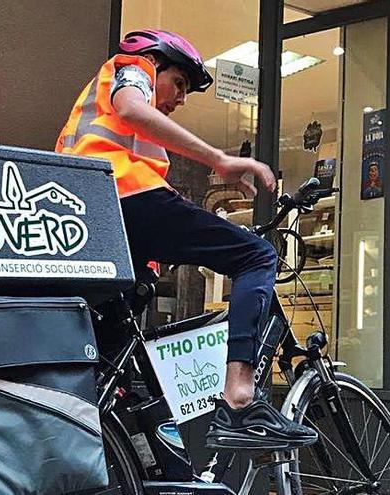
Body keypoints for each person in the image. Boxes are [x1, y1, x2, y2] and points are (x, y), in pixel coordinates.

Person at [55, 29, 316, 451]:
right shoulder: (133, 68)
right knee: (256, 258)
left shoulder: (114, 125)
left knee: (119, 353)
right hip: (119, 197)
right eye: (179, 83)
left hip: (92, 215)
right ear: (155, 63)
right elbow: (131, 107)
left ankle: (130, 448)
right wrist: (219, 159)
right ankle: (240, 399)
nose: (180, 99)